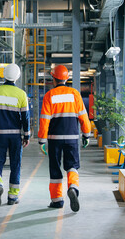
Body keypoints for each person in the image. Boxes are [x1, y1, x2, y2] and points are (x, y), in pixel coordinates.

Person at [38, 65, 91, 212]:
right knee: (72, 166)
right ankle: (73, 187)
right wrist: (86, 134)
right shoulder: (74, 94)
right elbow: (83, 116)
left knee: (55, 168)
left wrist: (42, 140)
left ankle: (57, 200)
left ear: (53, 79)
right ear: (66, 79)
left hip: (54, 139)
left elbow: (44, 120)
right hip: (72, 138)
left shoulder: (50, 96)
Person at [0, 63, 30, 208]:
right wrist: (26, 135)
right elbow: (25, 118)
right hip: (15, 136)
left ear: (3, 74)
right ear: (17, 77)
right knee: (15, 165)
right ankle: (12, 196)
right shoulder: (21, 94)